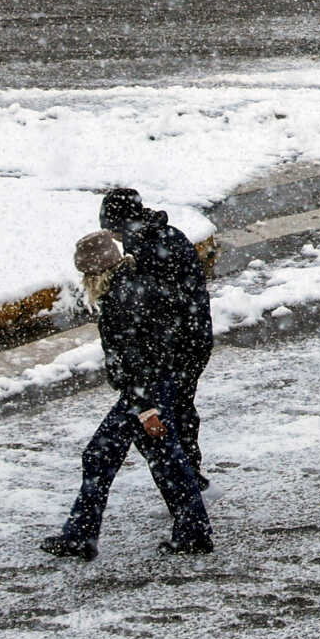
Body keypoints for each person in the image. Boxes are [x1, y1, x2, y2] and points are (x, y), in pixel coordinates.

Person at [41, 231, 213, 559]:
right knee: (162, 462)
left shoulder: (122, 300)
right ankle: (191, 531)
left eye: (86, 275)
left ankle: (83, 536)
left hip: (144, 395)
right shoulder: (135, 287)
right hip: (151, 390)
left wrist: (147, 409)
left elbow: (138, 357)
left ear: (96, 273)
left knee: (117, 458)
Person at [99, 188, 212, 484]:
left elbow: (152, 309)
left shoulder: (142, 247)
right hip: (195, 336)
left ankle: (186, 483)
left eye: (112, 229)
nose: (114, 238)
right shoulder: (167, 233)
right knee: (182, 407)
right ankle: (189, 475)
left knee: (164, 417)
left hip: (176, 346)